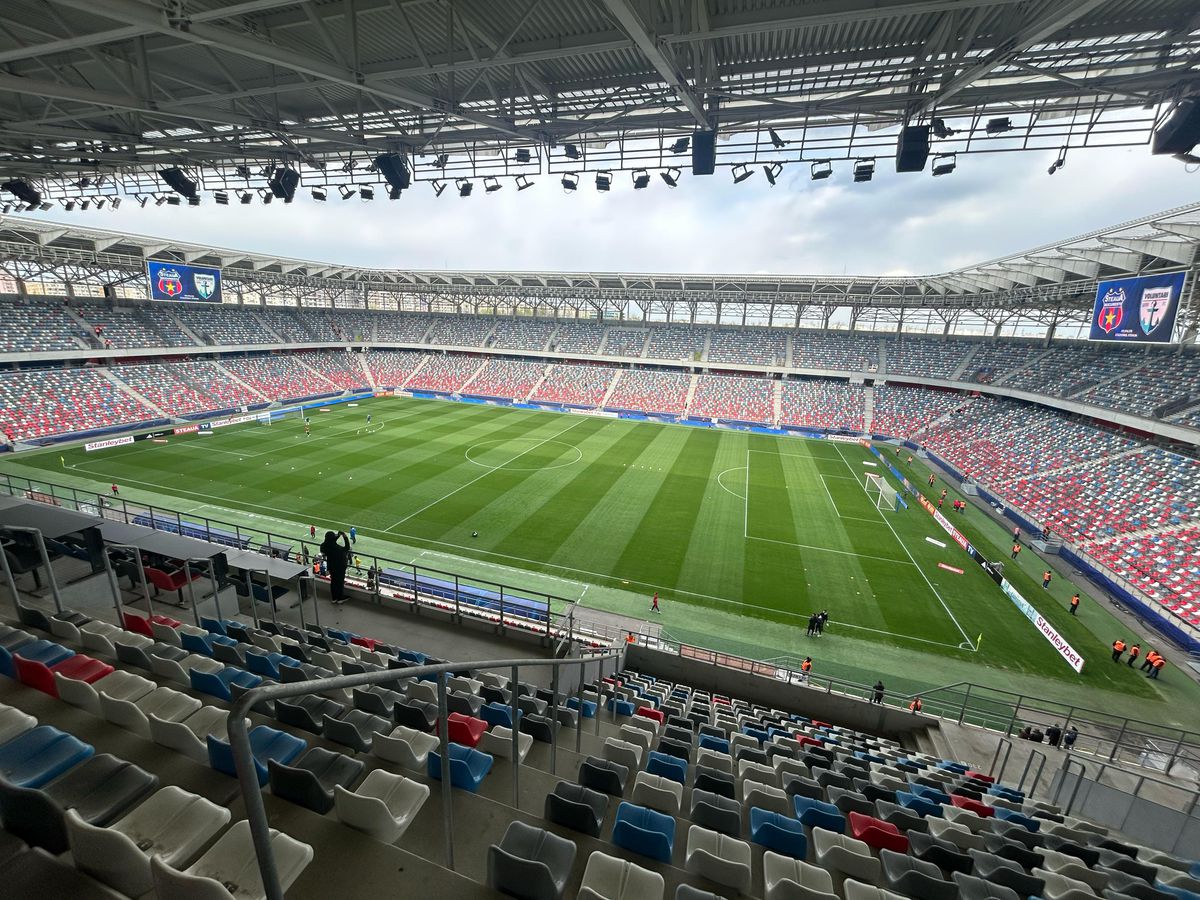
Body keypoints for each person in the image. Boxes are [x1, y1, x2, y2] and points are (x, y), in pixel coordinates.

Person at [320, 530, 350, 604]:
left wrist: (338, 536)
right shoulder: (338, 549)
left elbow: (330, 541)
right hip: (340, 567)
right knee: (340, 582)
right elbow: (347, 547)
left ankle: (334, 598)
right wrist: (345, 537)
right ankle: (340, 598)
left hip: (331, 566)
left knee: (333, 582)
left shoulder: (324, 546)